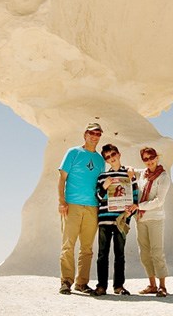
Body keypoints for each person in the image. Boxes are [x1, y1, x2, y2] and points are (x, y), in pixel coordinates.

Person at [58, 122, 105, 295]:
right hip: (72, 204)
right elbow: (62, 178)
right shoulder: (73, 152)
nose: (95, 136)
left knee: (87, 248)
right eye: (92, 133)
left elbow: (101, 185)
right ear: (85, 134)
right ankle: (66, 281)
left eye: (98, 134)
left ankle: (81, 283)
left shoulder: (100, 160)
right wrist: (61, 201)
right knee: (68, 244)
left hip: (92, 207)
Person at [92, 144, 139, 296]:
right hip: (105, 220)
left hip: (121, 220)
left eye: (113, 154)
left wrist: (130, 212)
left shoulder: (129, 174)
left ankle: (118, 286)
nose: (111, 158)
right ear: (106, 160)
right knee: (102, 255)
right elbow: (98, 197)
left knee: (120, 254)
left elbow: (135, 196)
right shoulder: (102, 177)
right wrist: (104, 187)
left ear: (119, 154)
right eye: (108, 157)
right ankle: (101, 286)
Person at [127, 147, 171, 297]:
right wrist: (130, 169)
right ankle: (152, 284)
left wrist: (138, 206)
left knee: (157, 252)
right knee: (144, 253)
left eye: (151, 157)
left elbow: (159, 201)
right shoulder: (143, 174)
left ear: (157, 157)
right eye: (145, 159)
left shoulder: (163, 177)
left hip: (155, 218)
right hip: (141, 219)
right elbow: (130, 170)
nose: (149, 161)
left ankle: (162, 286)